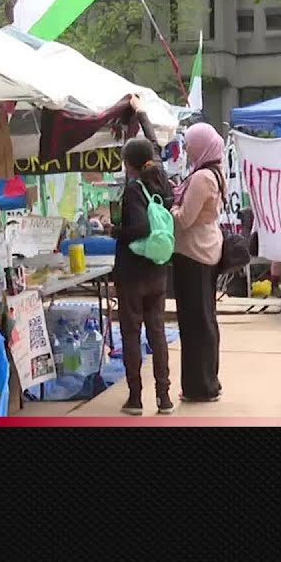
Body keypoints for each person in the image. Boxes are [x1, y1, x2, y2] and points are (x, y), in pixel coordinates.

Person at [110, 137, 176, 415]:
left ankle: (135, 397)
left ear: (128, 164)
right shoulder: (162, 184)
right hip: (158, 269)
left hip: (133, 273)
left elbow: (138, 228)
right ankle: (164, 397)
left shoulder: (135, 189)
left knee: (131, 332)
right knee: (157, 331)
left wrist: (114, 231)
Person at [170, 122, 226, 402]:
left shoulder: (202, 177)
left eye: (191, 144)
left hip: (194, 253)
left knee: (195, 324)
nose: (188, 149)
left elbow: (183, 220)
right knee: (204, 320)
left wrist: (170, 208)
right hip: (206, 250)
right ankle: (207, 382)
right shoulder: (213, 171)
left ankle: (200, 387)